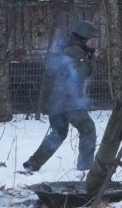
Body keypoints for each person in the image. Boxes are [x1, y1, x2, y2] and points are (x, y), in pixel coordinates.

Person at [23, 20, 100, 172]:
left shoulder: (68, 50)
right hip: (69, 102)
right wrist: (92, 59)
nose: (93, 44)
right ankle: (85, 168)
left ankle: (33, 163)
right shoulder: (75, 52)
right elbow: (84, 73)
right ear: (83, 39)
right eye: (91, 41)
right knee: (88, 129)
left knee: (58, 133)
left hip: (56, 102)